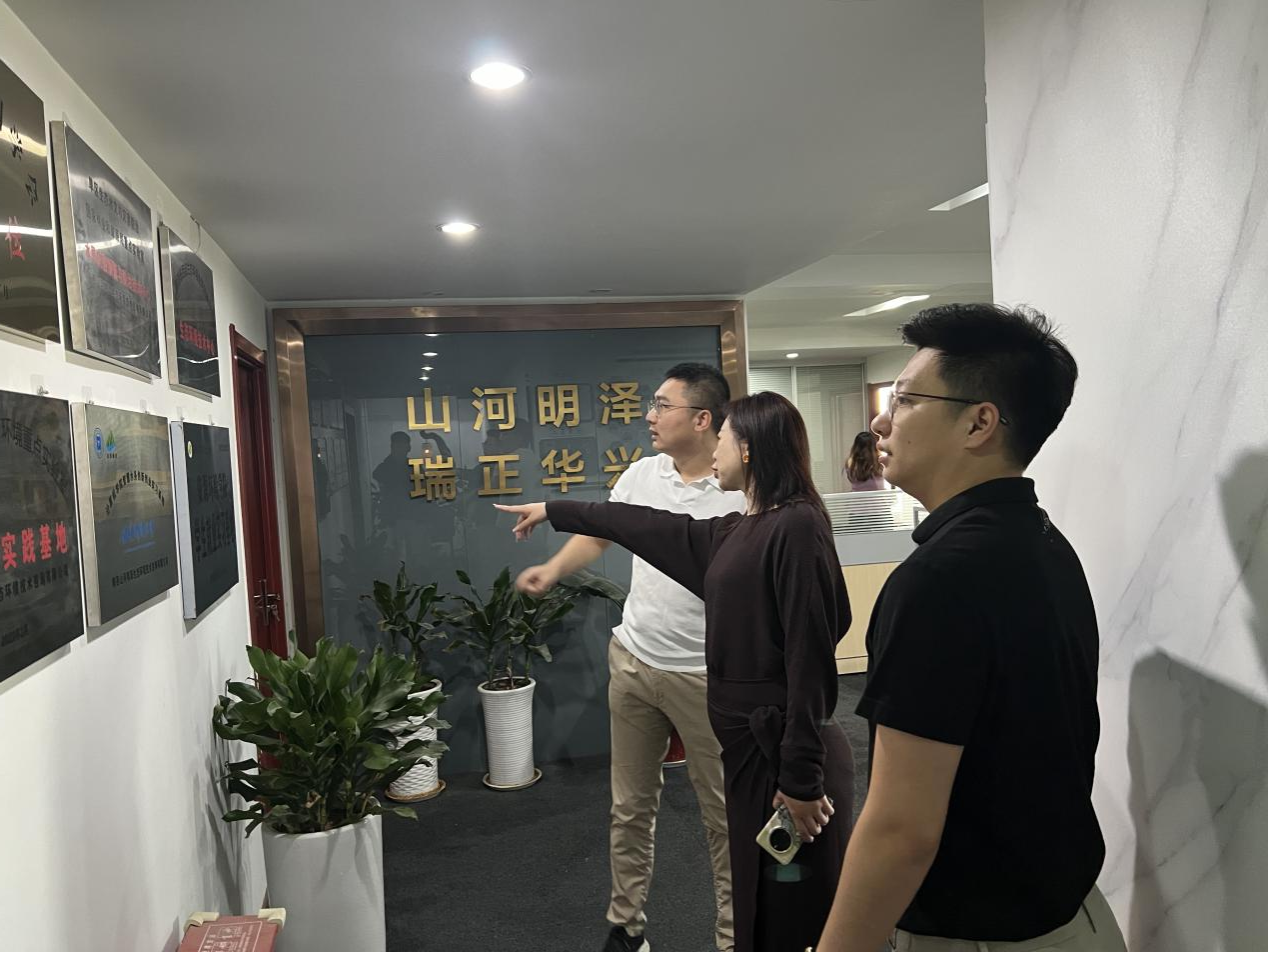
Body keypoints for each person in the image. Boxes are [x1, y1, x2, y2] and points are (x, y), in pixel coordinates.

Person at [816, 304, 1126, 952]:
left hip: (979, 936)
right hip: (1074, 916)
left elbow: (901, 829)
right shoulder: (1042, 540)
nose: (880, 421)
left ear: (979, 422)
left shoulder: (939, 579)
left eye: (905, 400)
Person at [498, 392, 855, 953]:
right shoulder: (738, 530)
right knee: (757, 881)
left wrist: (801, 778)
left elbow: (809, 661)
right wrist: (554, 509)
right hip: (748, 744)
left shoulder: (797, 526)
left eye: (725, 439)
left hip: (779, 749)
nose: (716, 451)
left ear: (749, 448)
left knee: (788, 900)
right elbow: (641, 524)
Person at [517, 363, 744, 953]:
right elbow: (601, 533)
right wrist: (553, 568)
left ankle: (733, 937)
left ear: (702, 418)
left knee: (724, 817)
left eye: (663, 405)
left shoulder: (741, 488)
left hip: (706, 676)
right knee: (629, 807)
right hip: (635, 660)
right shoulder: (642, 473)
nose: (650, 415)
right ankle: (627, 928)